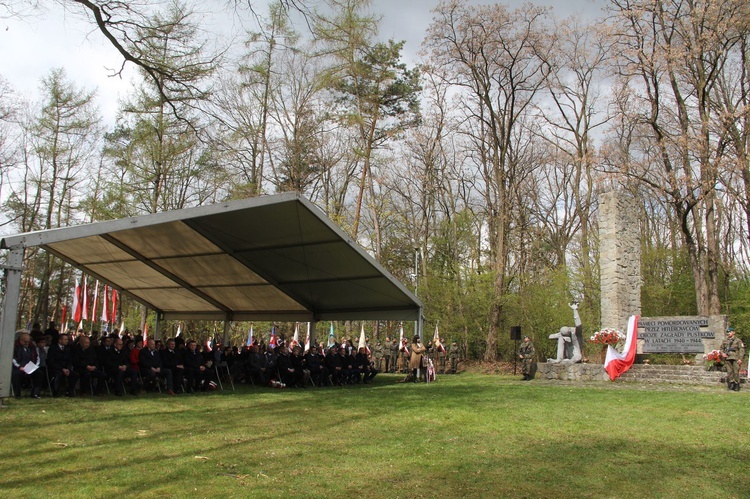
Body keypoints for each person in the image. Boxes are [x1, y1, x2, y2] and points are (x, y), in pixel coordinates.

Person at [11, 332, 43, 399]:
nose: (27, 343)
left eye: (28, 342)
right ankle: (17, 394)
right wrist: (20, 367)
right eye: (25, 342)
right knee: (16, 374)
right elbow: (13, 359)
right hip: (18, 367)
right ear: (20, 340)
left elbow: (37, 358)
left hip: (30, 367)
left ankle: (35, 393)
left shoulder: (33, 347)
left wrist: (34, 366)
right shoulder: (15, 347)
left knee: (39, 374)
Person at [721, 327, 745, 391]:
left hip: (736, 358)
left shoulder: (738, 340)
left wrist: (740, 358)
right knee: (729, 372)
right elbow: (721, 348)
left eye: (730, 332)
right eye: (728, 332)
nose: (728, 333)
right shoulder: (725, 341)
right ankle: (731, 383)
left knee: (736, 372)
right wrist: (722, 353)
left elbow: (741, 350)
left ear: (733, 332)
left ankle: (736, 384)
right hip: (728, 358)